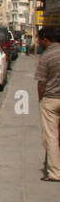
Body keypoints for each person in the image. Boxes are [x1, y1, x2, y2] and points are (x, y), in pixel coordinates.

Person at [35, 26, 60, 181]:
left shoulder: (46, 56)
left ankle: (55, 172)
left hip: (51, 100)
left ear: (46, 39)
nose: (38, 42)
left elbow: (41, 83)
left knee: (51, 136)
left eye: (39, 39)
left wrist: (40, 100)